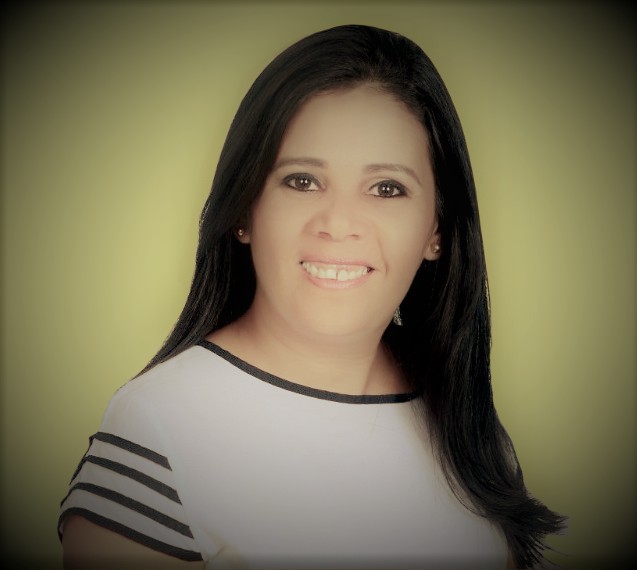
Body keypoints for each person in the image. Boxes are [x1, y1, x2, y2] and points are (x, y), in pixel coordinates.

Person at [59, 24, 565, 569]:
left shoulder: (466, 422)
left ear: (437, 230)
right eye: (302, 181)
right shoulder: (159, 425)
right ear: (245, 209)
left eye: (387, 188)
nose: (339, 224)